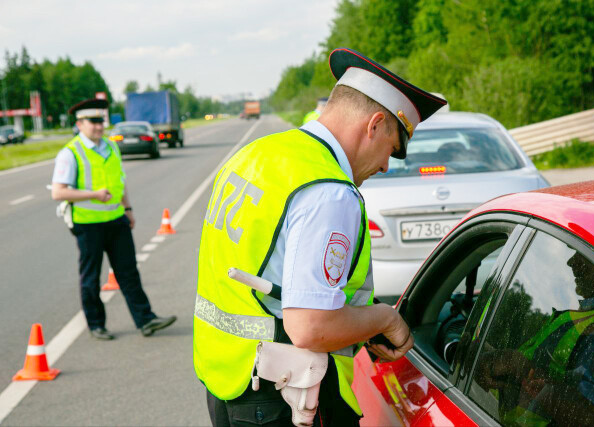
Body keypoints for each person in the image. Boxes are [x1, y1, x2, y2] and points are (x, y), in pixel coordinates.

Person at [194, 47, 447, 426]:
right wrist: (383, 319)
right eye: (391, 151)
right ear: (374, 124)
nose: (383, 166)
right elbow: (311, 326)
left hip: (228, 381)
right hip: (284, 398)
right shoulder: (329, 192)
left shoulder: (259, 153)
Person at [51, 98, 176, 340]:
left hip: (117, 220)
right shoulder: (71, 153)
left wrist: (128, 210)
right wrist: (93, 195)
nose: (98, 126)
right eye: (93, 121)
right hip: (87, 224)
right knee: (91, 277)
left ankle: (146, 320)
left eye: (101, 121)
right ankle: (96, 324)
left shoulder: (111, 147)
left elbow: (120, 182)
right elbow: (58, 192)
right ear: (79, 123)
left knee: (129, 273)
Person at [474, 252, 594, 426]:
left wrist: (519, 366)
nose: (571, 262)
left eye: (584, 255)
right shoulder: (590, 315)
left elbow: (593, 420)